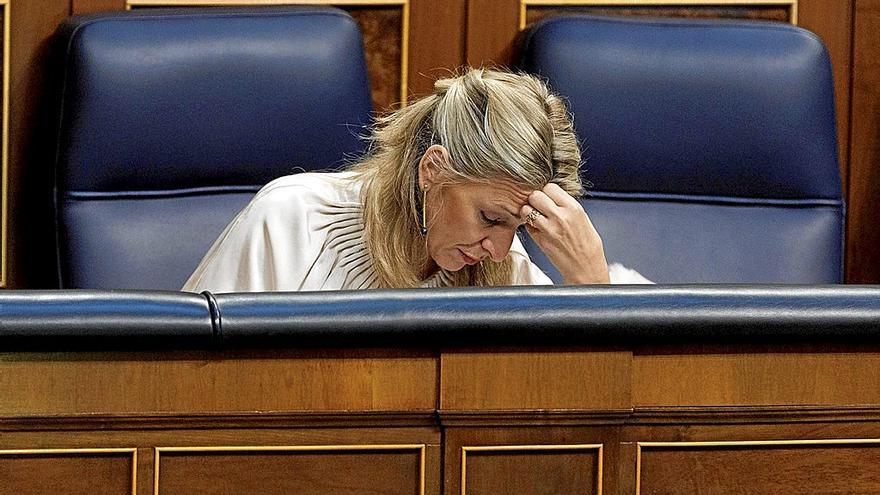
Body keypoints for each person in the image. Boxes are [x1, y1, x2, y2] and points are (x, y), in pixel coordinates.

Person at [183, 68, 651, 292]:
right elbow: (182, 378)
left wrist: (590, 280)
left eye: (517, 225)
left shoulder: (500, 263)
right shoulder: (290, 221)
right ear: (433, 169)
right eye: (489, 217)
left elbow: (562, 407)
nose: (499, 244)